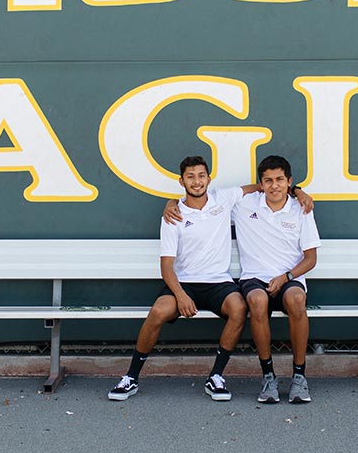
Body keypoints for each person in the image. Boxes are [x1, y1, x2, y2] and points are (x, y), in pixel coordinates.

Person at [109, 156, 268, 402]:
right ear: (181, 181)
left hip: (218, 283)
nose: (197, 181)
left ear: (209, 178)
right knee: (159, 311)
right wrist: (181, 296)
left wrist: (298, 192)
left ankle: (216, 376)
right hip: (184, 284)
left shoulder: (223, 199)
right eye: (191, 177)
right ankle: (131, 377)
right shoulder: (173, 215)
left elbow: (262, 186)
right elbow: (167, 267)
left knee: (239, 308)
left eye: (201, 175)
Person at [233, 155, 319, 404]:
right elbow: (205, 200)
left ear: (289, 182)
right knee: (257, 301)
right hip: (254, 278)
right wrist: (172, 202)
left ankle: (299, 377)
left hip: (289, 277)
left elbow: (311, 258)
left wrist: (286, 277)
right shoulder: (245, 205)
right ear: (260, 184)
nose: (274, 186)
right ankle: (268, 376)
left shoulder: (301, 209)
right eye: (268, 181)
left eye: (280, 180)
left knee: (296, 299)